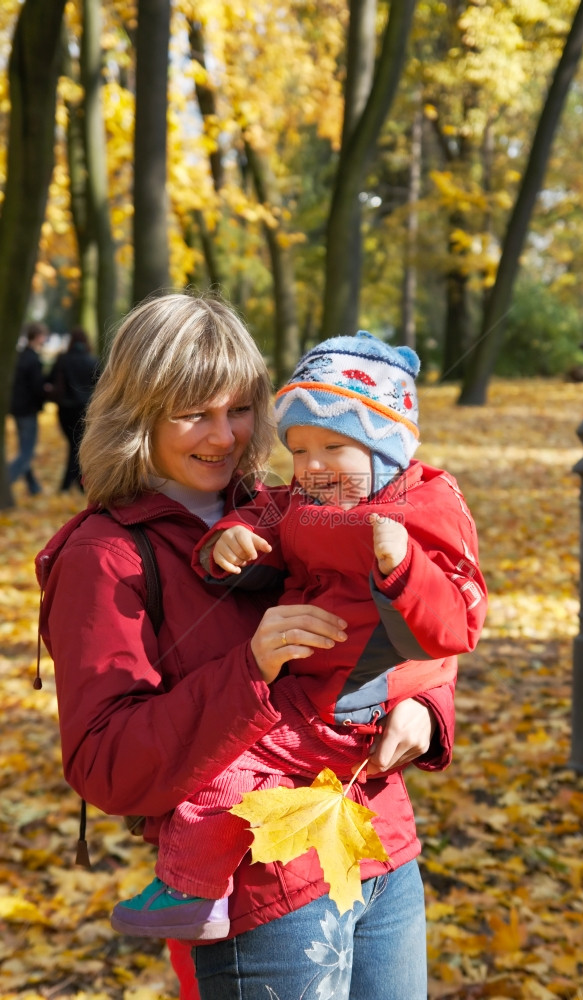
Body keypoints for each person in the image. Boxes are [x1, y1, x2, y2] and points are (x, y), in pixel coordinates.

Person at [35, 292, 454, 1000]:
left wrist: (427, 707)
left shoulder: (297, 501)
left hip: (379, 847)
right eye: (193, 413)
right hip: (255, 894)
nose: (224, 437)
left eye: (239, 410)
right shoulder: (104, 556)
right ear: (137, 413)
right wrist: (250, 668)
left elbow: (404, 613)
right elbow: (106, 765)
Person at [111, 331, 487, 950]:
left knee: (229, 772)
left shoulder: (420, 514)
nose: (311, 468)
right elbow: (268, 519)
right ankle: (195, 888)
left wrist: (402, 568)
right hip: (317, 694)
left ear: (386, 448)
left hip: (345, 703)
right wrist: (223, 543)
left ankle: (191, 888)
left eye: (333, 447)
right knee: (233, 768)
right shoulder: (306, 498)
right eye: (299, 450)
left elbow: (454, 626)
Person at [48, 326, 101, 492]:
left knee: (74, 445)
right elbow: (100, 385)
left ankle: (73, 484)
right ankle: (73, 484)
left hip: (64, 409)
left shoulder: (62, 360)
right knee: (76, 445)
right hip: (84, 410)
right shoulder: (92, 361)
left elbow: (50, 379)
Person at [8, 321, 49, 495]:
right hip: (28, 411)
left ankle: (34, 487)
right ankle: (5, 481)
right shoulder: (33, 359)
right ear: (38, 336)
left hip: (18, 409)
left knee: (25, 449)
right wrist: (47, 390)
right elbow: (36, 388)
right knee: (26, 453)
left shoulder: (20, 356)